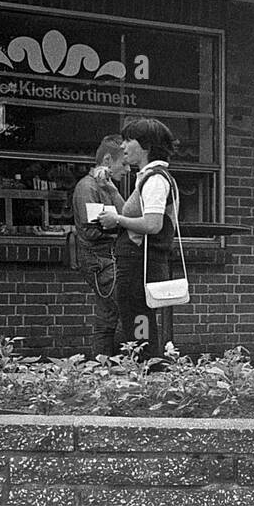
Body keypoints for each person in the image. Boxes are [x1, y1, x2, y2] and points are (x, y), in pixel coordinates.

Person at [99, 117, 179, 362]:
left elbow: (153, 224)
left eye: (128, 140)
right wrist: (112, 191)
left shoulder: (155, 179)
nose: (123, 146)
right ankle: (145, 362)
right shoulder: (148, 177)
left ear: (146, 145)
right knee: (137, 316)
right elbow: (134, 214)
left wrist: (117, 220)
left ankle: (146, 365)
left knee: (138, 317)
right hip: (137, 261)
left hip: (139, 263)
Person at [70, 134, 129, 357]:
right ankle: (130, 362)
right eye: (123, 164)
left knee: (107, 316)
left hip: (108, 257)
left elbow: (127, 215)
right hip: (100, 259)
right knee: (128, 308)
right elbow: (91, 230)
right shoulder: (87, 188)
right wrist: (121, 226)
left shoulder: (106, 187)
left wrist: (114, 192)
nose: (127, 170)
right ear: (107, 160)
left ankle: (101, 364)